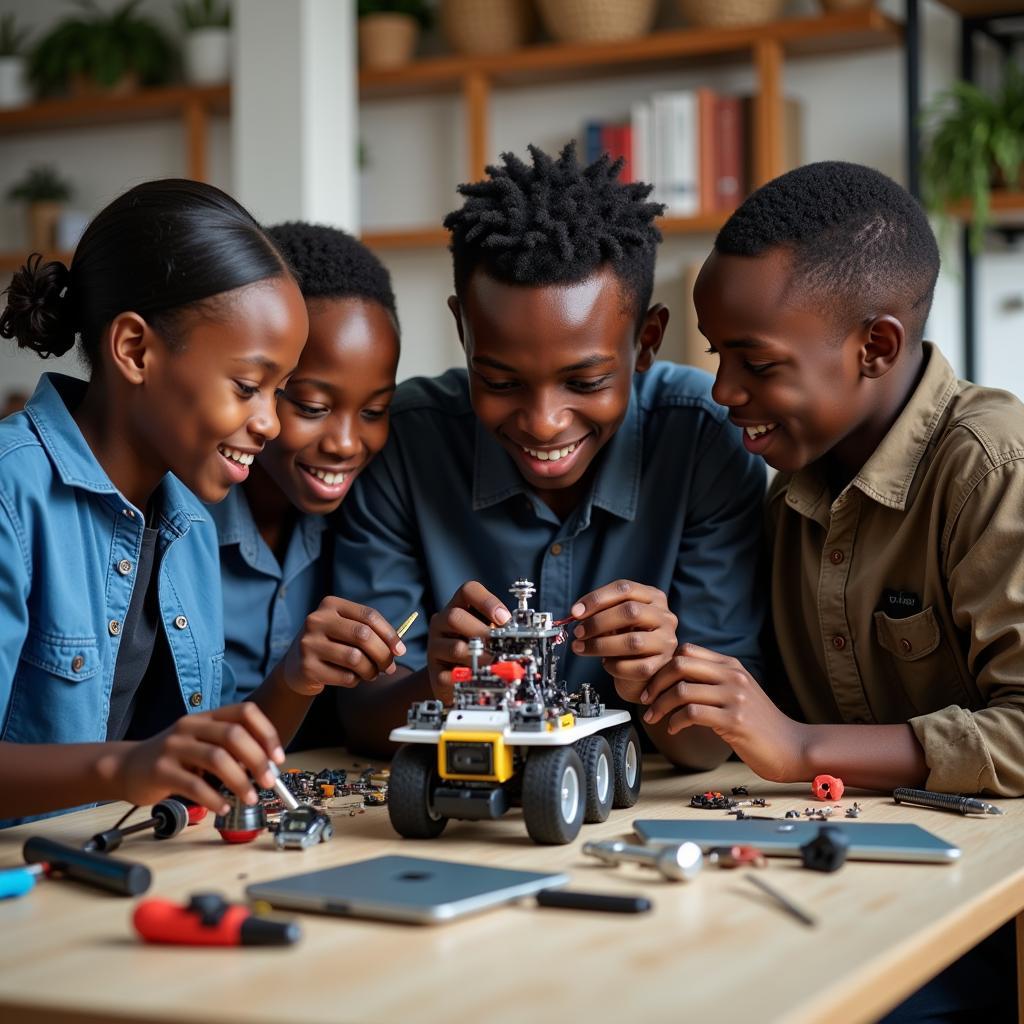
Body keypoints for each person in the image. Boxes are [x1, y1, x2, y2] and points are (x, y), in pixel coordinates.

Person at [333, 143, 766, 764]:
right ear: (464, 331)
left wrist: (657, 676)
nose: (543, 423)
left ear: (646, 343)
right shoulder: (404, 443)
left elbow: (709, 748)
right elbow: (361, 715)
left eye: (586, 382)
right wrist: (435, 684)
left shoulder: (703, 441)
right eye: (501, 382)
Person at [0, 180, 400, 826]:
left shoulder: (184, 520)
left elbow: (196, 763)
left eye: (280, 391)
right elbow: (143, 765)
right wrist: (123, 766)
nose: (268, 423)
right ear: (134, 351)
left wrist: (295, 677)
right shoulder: (11, 497)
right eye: (248, 386)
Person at [642, 160, 1024, 799]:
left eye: (757, 363)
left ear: (875, 347)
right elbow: (750, 723)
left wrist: (800, 747)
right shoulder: (788, 493)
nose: (723, 390)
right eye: (717, 353)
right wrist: (662, 671)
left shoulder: (993, 467)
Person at [210, 222, 403, 751]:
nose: (345, 442)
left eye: (374, 411)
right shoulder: (183, 520)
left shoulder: (369, 519)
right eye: (313, 408)